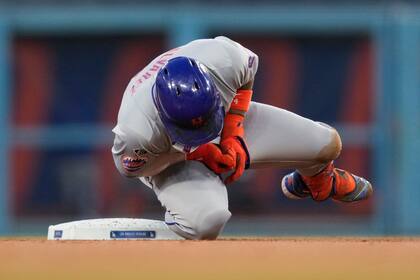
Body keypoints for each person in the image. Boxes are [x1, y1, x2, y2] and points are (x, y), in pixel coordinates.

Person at [112, 36, 373, 240]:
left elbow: (247, 74)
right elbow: (133, 171)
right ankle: (181, 223)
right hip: (170, 156)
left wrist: (232, 133)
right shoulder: (136, 133)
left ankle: (315, 181)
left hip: (223, 120)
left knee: (327, 143)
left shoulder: (222, 59)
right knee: (205, 224)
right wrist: (201, 153)